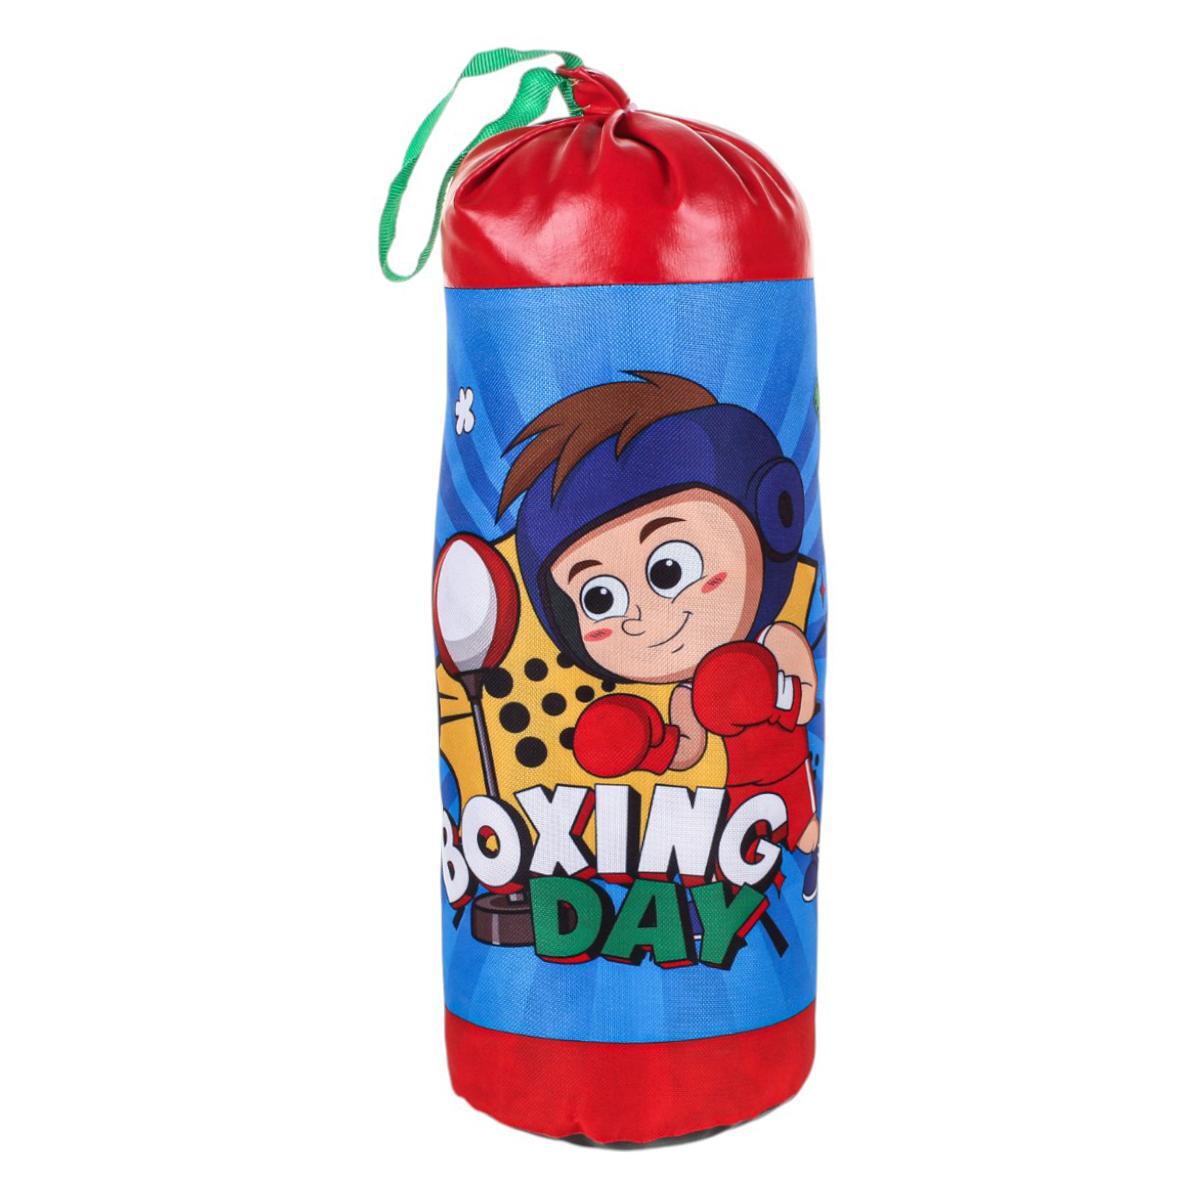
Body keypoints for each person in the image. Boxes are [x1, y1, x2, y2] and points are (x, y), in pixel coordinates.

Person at [499, 372, 820, 899]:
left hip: (788, 805)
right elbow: (687, 751)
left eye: (670, 568)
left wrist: (766, 691)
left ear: (773, 515)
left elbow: (803, 701)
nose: (641, 618)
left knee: (790, 860)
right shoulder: (688, 692)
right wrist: (646, 745)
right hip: (734, 826)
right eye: (599, 598)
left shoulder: (778, 641)